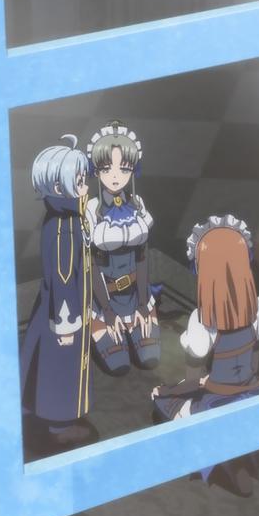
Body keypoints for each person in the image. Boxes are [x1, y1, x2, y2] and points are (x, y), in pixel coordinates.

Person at [152, 215, 259, 497]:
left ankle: (229, 465)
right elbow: (255, 359)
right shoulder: (256, 307)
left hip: (217, 398)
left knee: (164, 404)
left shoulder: (203, 320)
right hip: (250, 389)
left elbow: (192, 380)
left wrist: (169, 391)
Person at [20, 134, 102, 457]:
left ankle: (32, 409)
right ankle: (58, 426)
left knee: (39, 359)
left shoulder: (62, 219)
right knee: (60, 368)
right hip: (64, 315)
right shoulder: (64, 226)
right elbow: (64, 277)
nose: (84, 186)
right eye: (78, 181)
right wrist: (67, 323)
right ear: (58, 186)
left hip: (54, 309)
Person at [84, 121, 160, 374]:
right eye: (107, 168)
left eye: (124, 168)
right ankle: (101, 324)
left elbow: (142, 257)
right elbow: (92, 265)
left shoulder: (137, 204)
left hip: (136, 296)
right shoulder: (90, 210)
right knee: (119, 366)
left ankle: (140, 316)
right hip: (103, 299)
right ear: (97, 170)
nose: (115, 176)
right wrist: (106, 311)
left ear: (132, 170)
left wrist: (143, 304)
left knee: (150, 359)